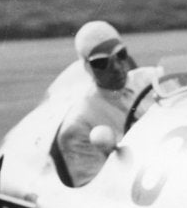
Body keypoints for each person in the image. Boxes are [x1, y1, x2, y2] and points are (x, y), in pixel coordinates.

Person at [56, 21, 153, 187]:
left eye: (121, 55)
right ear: (87, 67)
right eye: (101, 63)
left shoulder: (154, 79)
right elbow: (95, 194)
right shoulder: (79, 123)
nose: (115, 67)